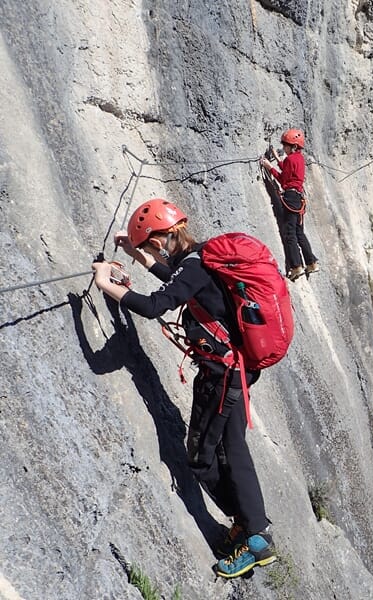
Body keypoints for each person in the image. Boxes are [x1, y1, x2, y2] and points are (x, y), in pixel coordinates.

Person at [91, 198, 276, 578]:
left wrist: (106, 286)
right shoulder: (203, 255)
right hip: (236, 369)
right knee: (233, 448)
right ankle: (251, 526)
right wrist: (137, 255)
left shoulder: (193, 266)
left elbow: (156, 304)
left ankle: (254, 534)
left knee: (202, 459)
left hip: (220, 376)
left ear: (161, 239)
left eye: (149, 245)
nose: (150, 252)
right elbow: (178, 281)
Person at [260, 128, 319, 281]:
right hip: (299, 198)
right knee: (299, 232)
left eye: (286, 145)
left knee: (290, 233)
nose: (284, 147)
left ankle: (296, 266)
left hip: (291, 197)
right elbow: (288, 171)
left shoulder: (290, 159)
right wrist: (275, 158)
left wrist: (269, 167)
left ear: (293, 147)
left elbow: (283, 179)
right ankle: (311, 263)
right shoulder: (299, 159)